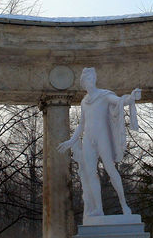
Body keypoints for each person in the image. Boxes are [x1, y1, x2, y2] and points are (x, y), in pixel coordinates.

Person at [58, 67, 140, 220]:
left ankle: (124, 205)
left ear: (94, 79)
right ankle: (98, 210)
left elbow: (120, 102)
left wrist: (131, 98)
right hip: (88, 139)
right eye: (86, 80)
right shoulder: (84, 101)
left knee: (110, 168)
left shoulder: (104, 95)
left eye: (90, 79)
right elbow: (82, 124)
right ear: (83, 83)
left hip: (102, 137)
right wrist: (72, 140)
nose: (89, 82)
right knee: (90, 174)